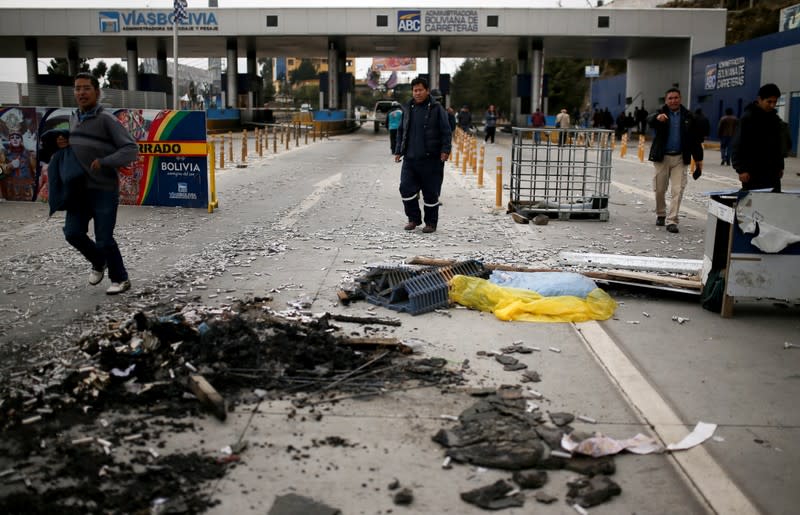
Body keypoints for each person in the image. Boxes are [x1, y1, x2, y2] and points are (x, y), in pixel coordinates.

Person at [65, 72, 139, 295]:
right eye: (77, 88)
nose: (81, 93)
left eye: (86, 88)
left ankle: (121, 279)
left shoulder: (106, 119)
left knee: (104, 239)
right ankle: (99, 261)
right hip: (79, 190)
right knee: (72, 232)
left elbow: (131, 149)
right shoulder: (74, 118)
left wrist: (105, 161)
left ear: (97, 92)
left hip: (104, 190)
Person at [394, 77, 452, 234]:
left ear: (427, 91)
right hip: (410, 158)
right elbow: (401, 130)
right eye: (415, 90)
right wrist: (398, 150)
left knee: (431, 193)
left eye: (420, 90)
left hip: (431, 159)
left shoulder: (436, 108)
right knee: (405, 188)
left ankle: (431, 223)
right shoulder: (408, 108)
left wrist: (445, 150)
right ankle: (413, 219)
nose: (417, 93)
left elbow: (446, 131)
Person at [647, 87, 704, 234]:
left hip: (680, 158)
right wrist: (657, 118)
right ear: (666, 100)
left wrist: (699, 161)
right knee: (659, 189)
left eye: (676, 98)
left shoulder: (689, 117)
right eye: (670, 98)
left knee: (677, 190)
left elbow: (695, 140)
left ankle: (672, 220)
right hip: (662, 158)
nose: (673, 101)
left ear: (680, 99)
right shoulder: (661, 114)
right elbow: (650, 120)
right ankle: (661, 213)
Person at [732, 83, 784, 192]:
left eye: (775, 102)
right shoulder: (748, 118)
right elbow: (738, 144)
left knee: (774, 202)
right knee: (754, 205)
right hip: (752, 173)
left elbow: (778, 144)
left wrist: (780, 166)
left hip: (772, 172)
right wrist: (741, 170)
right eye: (769, 101)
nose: (772, 105)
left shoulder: (774, 119)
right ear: (759, 99)